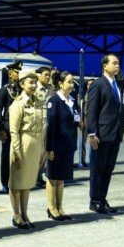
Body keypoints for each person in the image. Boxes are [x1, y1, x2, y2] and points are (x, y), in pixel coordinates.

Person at [86, 54, 124, 214]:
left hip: (115, 134)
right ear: (105, 66)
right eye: (114, 63)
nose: (117, 66)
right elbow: (91, 110)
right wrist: (92, 133)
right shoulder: (98, 84)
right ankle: (95, 201)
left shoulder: (117, 85)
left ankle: (102, 199)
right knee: (98, 169)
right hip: (101, 135)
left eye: (118, 63)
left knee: (108, 169)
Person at [9, 69, 44, 229]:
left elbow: (41, 128)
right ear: (22, 84)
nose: (34, 85)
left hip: (35, 145)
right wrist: (17, 152)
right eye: (30, 82)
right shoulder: (18, 104)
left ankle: (24, 213)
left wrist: (42, 149)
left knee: (27, 182)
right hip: (23, 145)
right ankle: (16, 215)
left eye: (35, 82)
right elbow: (14, 131)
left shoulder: (37, 102)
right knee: (17, 182)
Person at [45, 71, 80, 221]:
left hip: (68, 145)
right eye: (69, 82)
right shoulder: (54, 101)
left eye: (73, 82)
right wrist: (49, 147)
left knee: (61, 178)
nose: (72, 85)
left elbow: (76, 121)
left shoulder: (73, 101)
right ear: (60, 83)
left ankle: (60, 207)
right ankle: (51, 207)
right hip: (56, 145)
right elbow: (50, 126)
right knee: (53, 177)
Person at [0, 61, 22, 192]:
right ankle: (5, 182)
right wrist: (1, 129)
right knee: (6, 156)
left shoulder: (22, 89)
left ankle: (17, 181)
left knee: (19, 155)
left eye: (19, 72)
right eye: (16, 72)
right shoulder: (5, 89)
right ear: (10, 73)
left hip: (20, 127)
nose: (18, 74)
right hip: (7, 126)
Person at [34, 66, 55, 188]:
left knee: (46, 151)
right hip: (38, 123)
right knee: (39, 152)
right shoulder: (34, 88)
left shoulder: (50, 89)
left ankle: (38, 176)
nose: (47, 77)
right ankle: (33, 176)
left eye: (49, 75)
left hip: (49, 122)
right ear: (38, 75)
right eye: (45, 75)